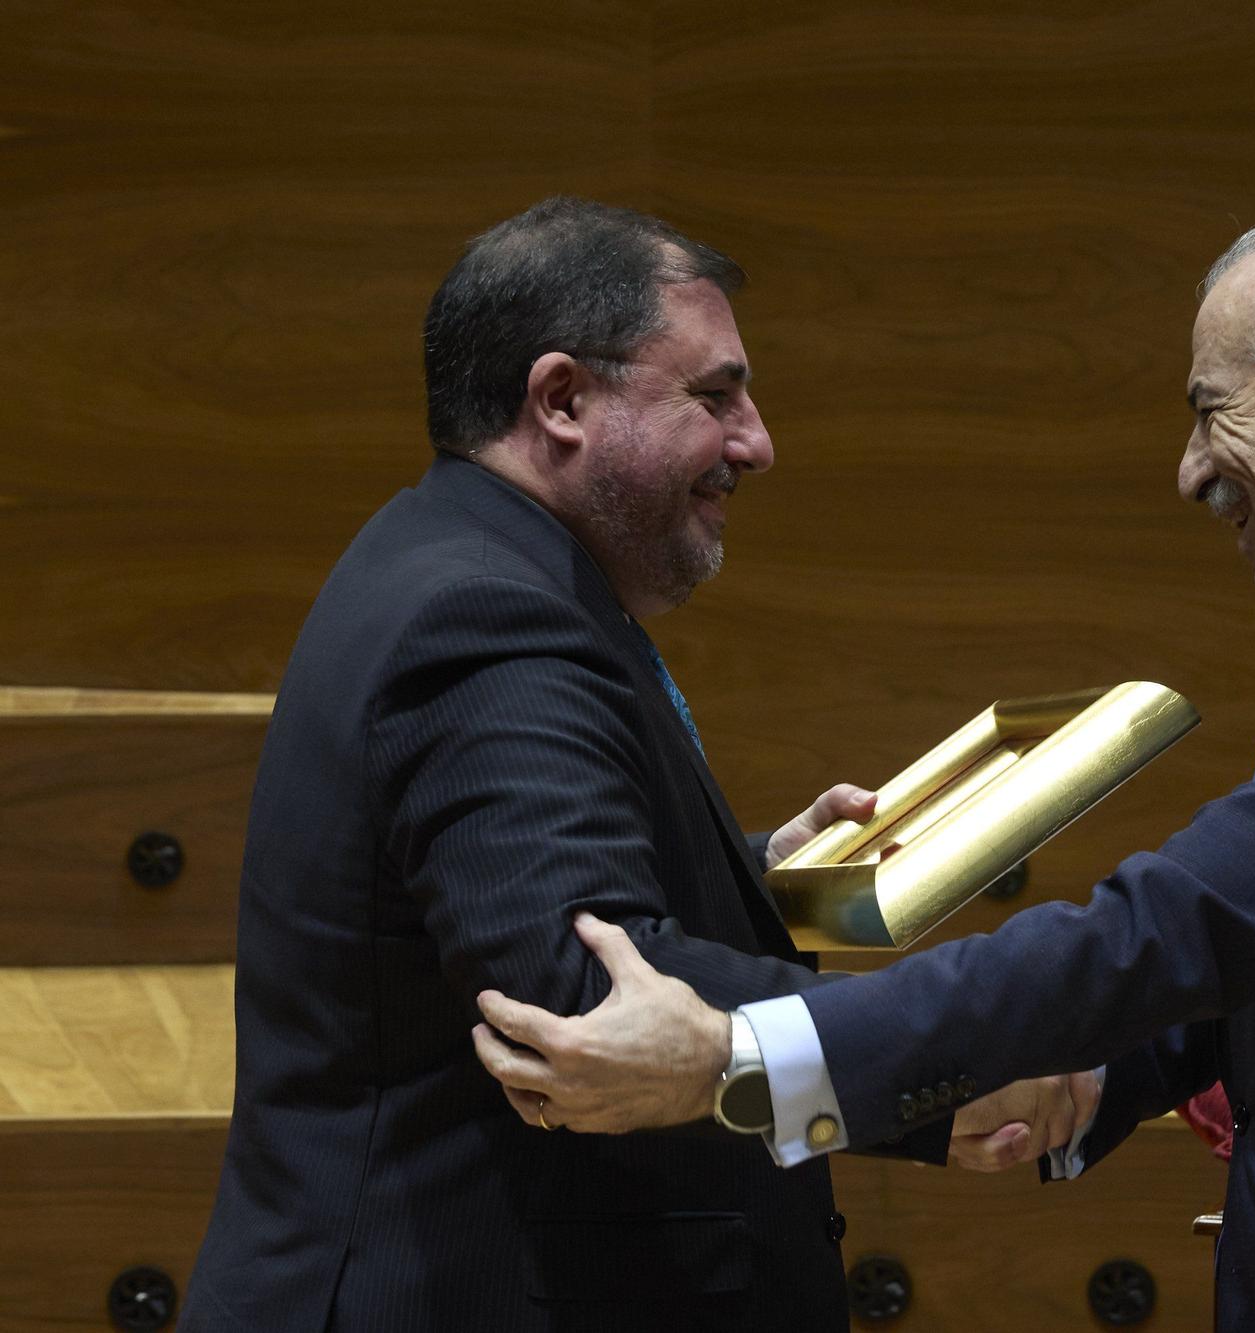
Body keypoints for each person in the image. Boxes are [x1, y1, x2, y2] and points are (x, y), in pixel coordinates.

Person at [472, 210, 1255, 1332]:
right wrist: (1089, 1081)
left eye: (1213, 409)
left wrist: (741, 1061)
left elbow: (1176, 927)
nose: (1188, 468)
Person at [181, 196, 1088, 1333]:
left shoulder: (467, 563)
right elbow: (583, 1000)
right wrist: (930, 1069)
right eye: (713, 395)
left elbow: (507, 907)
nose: (756, 442)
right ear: (560, 399)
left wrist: (751, 880)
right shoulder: (486, 615)